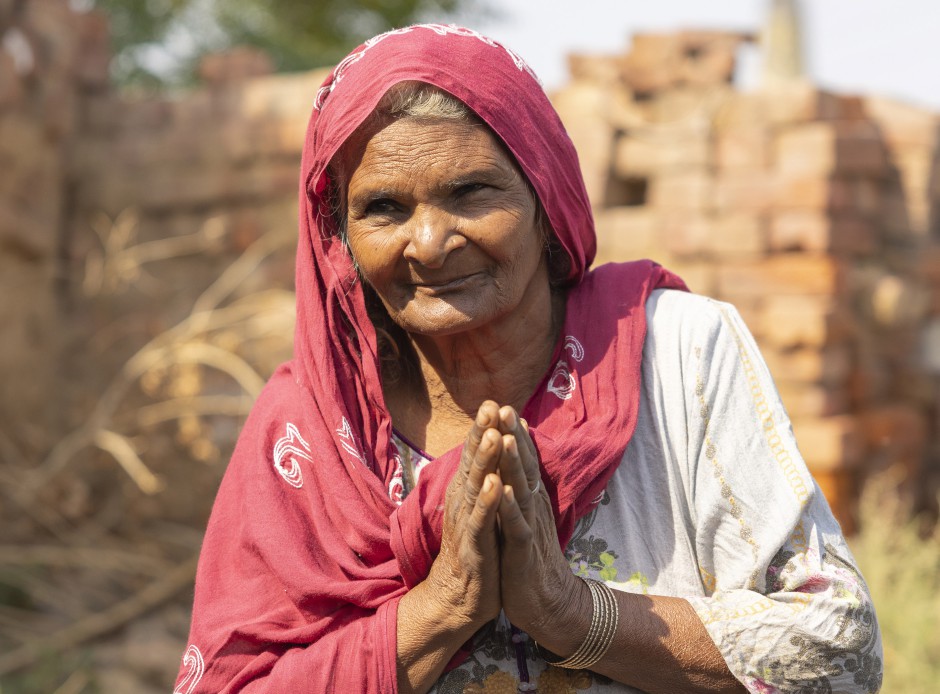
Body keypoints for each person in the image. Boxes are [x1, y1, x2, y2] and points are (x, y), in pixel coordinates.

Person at [174, 24, 882, 694]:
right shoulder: (310, 428)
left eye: (471, 192)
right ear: (340, 239)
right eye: (384, 208)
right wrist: (444, 607)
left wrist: (572, 615)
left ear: (548, 199)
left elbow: (838, 648)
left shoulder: (674, 353)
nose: (428, 242)